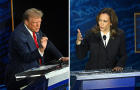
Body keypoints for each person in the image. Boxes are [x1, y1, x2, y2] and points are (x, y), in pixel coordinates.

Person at [5, 8, 69, 90]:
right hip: (21, 76)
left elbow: (47, 42)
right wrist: (41, 49)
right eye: (35, 23)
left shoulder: (35, 29)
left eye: (40, 22)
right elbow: (26, 57)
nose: (38, 25)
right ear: (26, 22)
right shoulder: (18, 35)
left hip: (36, 72)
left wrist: (61, 58)